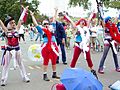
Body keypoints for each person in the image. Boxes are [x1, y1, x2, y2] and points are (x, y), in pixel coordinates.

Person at [0, 6, 30, 86]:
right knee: (6, 65)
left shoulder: (17, 29)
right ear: (8, 25)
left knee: (21, 64)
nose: (13, 24)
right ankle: (3, 79)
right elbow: (1, 23)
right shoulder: (6, 31)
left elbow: (20, 20)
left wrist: (24, 11)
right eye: (11, 23)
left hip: (17, 49)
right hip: (9, 50)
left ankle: (25, 76)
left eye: (14, 22)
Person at [62, 13, 98, 79]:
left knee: (88, 58)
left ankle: (92, 70)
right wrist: (66, 16)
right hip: (78, 45)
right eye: (81, 22)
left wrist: (92, 14)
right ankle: (71, 71)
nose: (83, 23)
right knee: (75, 58)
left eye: (84, 22)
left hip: (85, 45)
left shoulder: (86, 28)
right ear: (79, 23)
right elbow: (71, 21)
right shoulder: (77, 28)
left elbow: (89, 20)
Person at [30, 11, 60, 81]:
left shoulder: (52, 28)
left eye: (47, 23)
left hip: (53, 46)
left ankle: (54, 74)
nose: (46, 25)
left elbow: (54, 20)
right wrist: (32, 16)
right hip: (46, 46)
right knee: (46, 61)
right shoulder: (42, 30)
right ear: (43, 25)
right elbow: (35, 24)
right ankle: (45, 75)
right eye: (44, 24)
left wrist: (55, 11)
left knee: (54, 60)